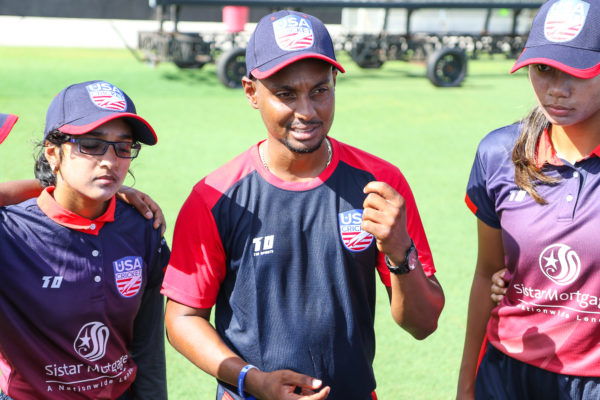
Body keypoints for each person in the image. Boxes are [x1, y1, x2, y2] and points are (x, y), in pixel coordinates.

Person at [161, 10, 444, 400]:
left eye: (320, 90)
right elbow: (182, 317)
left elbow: (423, 323)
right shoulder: (213, 196)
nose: (307, 112)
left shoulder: (379, 185)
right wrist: (251, 380)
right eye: (286, 94)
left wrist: (399, 250)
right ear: (251, 92)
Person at [457, 0, 600, 398]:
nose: (557, 88)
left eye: (577, 71)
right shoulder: (497, 154)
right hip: (504, 374)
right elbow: (487, 273)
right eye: (543, 69)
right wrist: (466, 385)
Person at [0, 81, 169, 400]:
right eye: (91, 145)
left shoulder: (141, 226)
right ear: (53, 152)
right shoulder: (10, 232)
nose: (110, 161)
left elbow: (146, 346)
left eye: (123, 147)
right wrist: (41, 186)